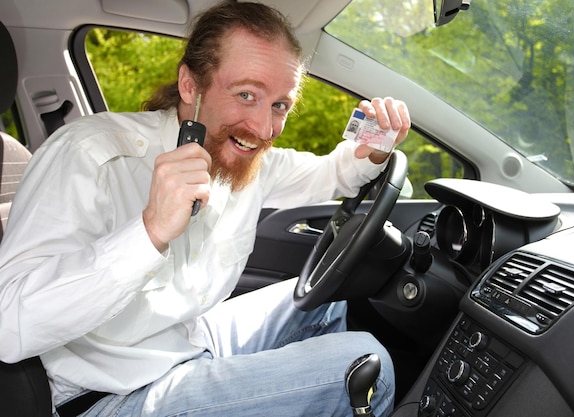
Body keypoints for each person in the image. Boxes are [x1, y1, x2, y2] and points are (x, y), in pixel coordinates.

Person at [0, 2, 411, 416]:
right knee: (365, 363)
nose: (264, 129)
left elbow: (331, 174)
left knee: (329, 298)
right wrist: (149, 232)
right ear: (190, 87)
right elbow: (7, 323)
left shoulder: (244, 159)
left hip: (188, 342)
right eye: (246, 95)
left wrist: (372, 150)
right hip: (107, 393)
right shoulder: (87, 156)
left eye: (279, 105)